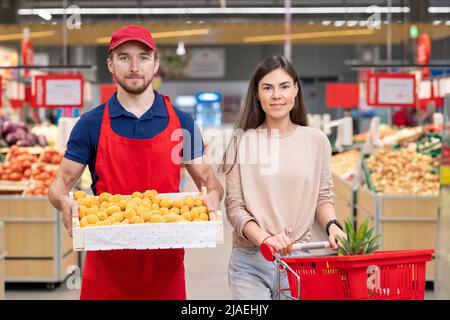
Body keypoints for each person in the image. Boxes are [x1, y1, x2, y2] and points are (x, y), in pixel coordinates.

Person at [48, 25, 223, 300]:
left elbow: (209, 181)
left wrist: (213, 196)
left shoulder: (182, 123)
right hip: (106, 266)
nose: (134, 66)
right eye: (123, 57)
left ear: (155, 64)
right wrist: (64, 202)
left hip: (165, 264)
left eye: (143, 57)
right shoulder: (91, 124)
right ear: (110, 64)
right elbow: (59, 185)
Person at [221, 56, 347, 300]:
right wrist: (266, 239)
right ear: (257, 94)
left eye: (284, 86)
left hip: (298, 259)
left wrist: (333, 225)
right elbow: (235, 209)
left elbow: (323, 197)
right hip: (250, 262)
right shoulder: (242, 142)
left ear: (296, 90)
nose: (276, 95)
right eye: (267, 88)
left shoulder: (316, 140)